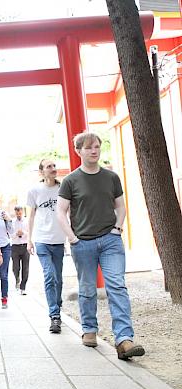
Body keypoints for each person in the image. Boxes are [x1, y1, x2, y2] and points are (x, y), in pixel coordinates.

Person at [57, 132, 145, 360]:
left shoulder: (111, 177)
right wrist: (73, 238)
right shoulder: (70, 181)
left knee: (116, 285)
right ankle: (89, 329)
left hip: (110, 240)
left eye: (97, 146)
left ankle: (124, 340)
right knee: (87, 288)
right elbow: (61, 212)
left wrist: (117, 229)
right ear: (79, 151)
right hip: (82, 243)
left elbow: (121, 206)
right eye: (88, 148)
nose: (94, 151)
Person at [27, 159, 66, 334]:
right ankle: (54, 315)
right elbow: (31, 216)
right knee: (49, 275)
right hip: (42, 239)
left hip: (59, 240)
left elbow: (69, 212)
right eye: (49, 167)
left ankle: (57, 303)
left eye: (54, 166)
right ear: (42, 172)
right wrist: (29, 239)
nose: (53, 169)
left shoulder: (63, 188)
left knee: (58, 277)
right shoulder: (34, 191)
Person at [11, 206, 30, 295]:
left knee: (25, 268)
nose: (18, 214)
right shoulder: (12, 222)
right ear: (15, 213)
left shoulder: (26, 221)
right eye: (17, 213)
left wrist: (23, 233)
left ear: (22, 212)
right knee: (15, 268)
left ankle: (23, 287)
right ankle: (17, 279)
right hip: (15, 247)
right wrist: (16, 234)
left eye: (20, 213)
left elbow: (30, 233)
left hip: (25, 246)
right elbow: (10, 234)